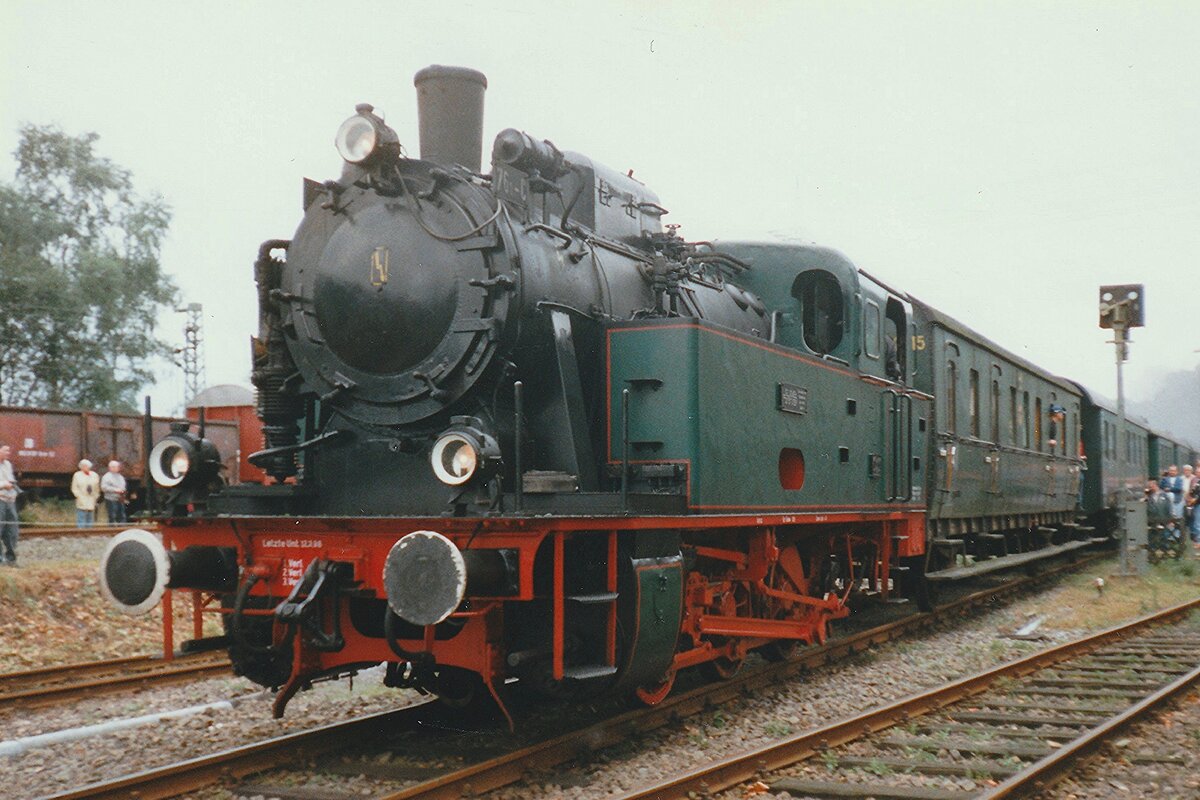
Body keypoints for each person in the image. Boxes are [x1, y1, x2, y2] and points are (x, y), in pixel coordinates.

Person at [0, 445, 19, 565]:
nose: (8, 453)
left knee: (12, 530)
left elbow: (10, 479)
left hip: (10, 499)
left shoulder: (8, 465)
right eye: (5, 450)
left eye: (9, 450)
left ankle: (11, 558)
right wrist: (3, 485)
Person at [71, 459, 100, 528]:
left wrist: (96, 496)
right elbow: (74, 487)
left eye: (86, 466)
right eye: (83, 466)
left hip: (91, 498)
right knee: (81, 514)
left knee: (90, 515)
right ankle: (80, 530)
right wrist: (78, 496)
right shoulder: (77, 475)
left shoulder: (94, 475)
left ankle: (89, 530)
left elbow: (97, 487)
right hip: (81, 497)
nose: (85, 467)